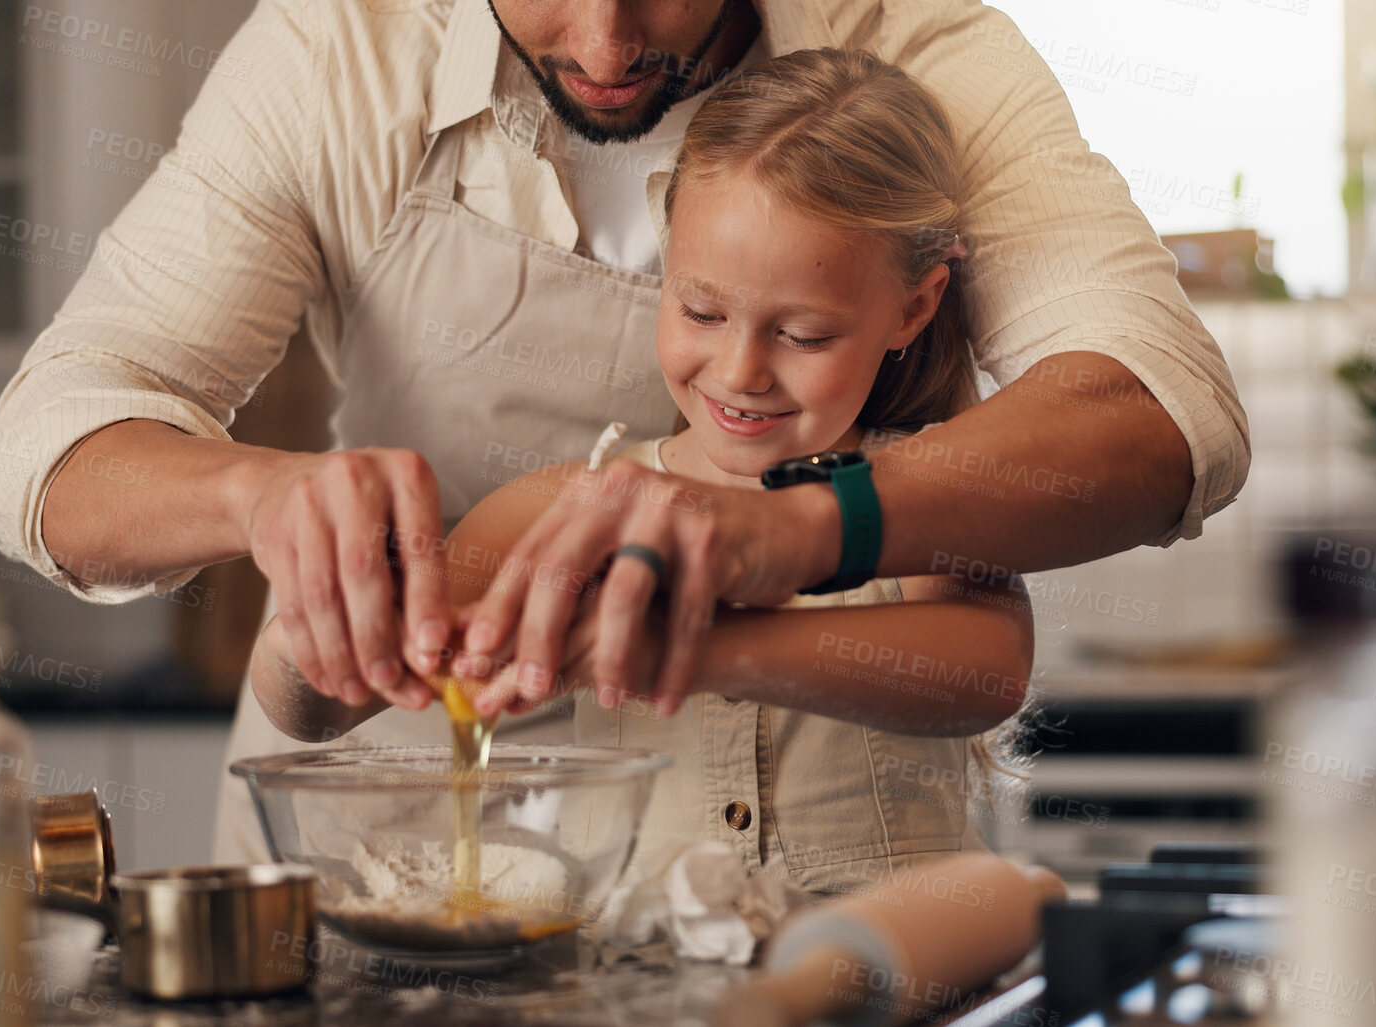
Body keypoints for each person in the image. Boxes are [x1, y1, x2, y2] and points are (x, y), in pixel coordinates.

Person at [0, 0, 1249, 863]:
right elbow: (56, 440)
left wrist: (800, 529)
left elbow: (1155, 416)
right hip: (400, 858)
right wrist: (269, 507)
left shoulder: (912, 39)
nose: (602, 40)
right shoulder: (330, 51)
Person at [255, 48, 1033, 890]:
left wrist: (704, 647)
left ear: (912, 308)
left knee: (1014, 897)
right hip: (644, 982)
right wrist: (332, 615)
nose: (740, 371)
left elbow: (984, 671)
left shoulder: (928, 491)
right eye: (700, 309)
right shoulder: (571, 508)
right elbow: (310, 709)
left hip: (890, 974)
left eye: (804, 334)